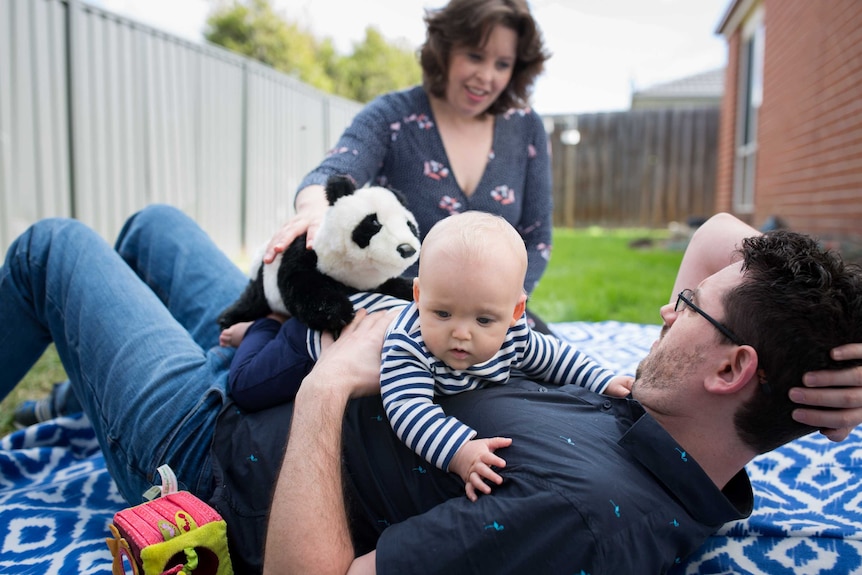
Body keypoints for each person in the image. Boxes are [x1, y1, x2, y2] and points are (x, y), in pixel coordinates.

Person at [2, 205, 862, 574]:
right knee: (154, 225)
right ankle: (76, 399)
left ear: (730, 369)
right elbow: (719, 239)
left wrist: (329, 386)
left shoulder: (587, 518)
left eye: (685, 310)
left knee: (51, 246)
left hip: (212, 443)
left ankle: (93, 402)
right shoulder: (662, 415)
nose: (666, 313)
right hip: (281, 350)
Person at [264, 0, 553, 313]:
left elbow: (537, 237)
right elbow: (335, 171)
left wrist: (496, 307)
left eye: (502, 64)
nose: (486, 76)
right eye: (474, 56)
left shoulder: (527, 128)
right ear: (446, 47)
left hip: (491, 317)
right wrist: (314, 209)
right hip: (393, 306)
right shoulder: (393, 115)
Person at [380, 211, 632, 499]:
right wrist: (458, 451)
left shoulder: (514, 336)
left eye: (483, 320)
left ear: (515, 312)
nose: (461, 333)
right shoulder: (409, 344)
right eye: (443, 313)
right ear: (418, 295)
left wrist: (603, 380)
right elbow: (407, 407)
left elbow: (555, 358)